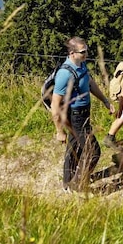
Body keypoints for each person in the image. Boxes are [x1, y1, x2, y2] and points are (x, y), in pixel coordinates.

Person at [50, 37, 114, 192]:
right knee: (93, 151)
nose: (86, 54)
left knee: (74, 147)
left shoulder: (81, 65)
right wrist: (59, 131)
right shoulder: (64, 74)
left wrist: (105, 100)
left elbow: (90, 83)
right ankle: (77, 185)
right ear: (72, 53)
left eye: (86, 50)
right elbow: (54, 104)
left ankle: (67, 184)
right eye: (83, 52)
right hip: (75, 115)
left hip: (84, 112)